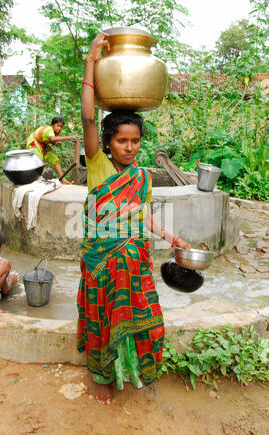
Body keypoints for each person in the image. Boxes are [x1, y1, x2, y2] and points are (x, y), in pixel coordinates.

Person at [77, 32, 191, 405]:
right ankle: (102, 377)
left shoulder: (141, 177)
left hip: (134, 261)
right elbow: (88, 116)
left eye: (135, 141)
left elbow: (142, 216)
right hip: (102, 262)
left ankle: (130, 371)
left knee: (147, 318)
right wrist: (91, 61)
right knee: (103, 319)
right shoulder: (97, 165)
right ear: (108, 141)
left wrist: (170, 237)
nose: (129, 148)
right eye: (122, 141)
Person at [26, 116, 78, 184]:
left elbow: (50, 140)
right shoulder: (49, 129)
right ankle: (35, 180)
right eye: (58, 126)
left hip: (43, 144)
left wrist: (55, 143)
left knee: (54, 159)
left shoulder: (54, 132)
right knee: (39, 161)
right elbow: (52, 139)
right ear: (52, 125)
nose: (59, 128)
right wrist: (69, 137)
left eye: (61, 127)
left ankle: (63, 180)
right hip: (34, 142)